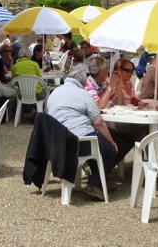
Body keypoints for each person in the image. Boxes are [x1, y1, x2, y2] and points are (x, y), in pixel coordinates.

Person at [46, 70, 128, 200]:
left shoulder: (54, 92)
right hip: (78, 139)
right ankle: (95, 184)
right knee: (110, 149)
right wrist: (111, 141)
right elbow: (98, 122)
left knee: (101, 143)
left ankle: (102, 178)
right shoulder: (83, 94)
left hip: (57, 139)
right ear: (83, 83)